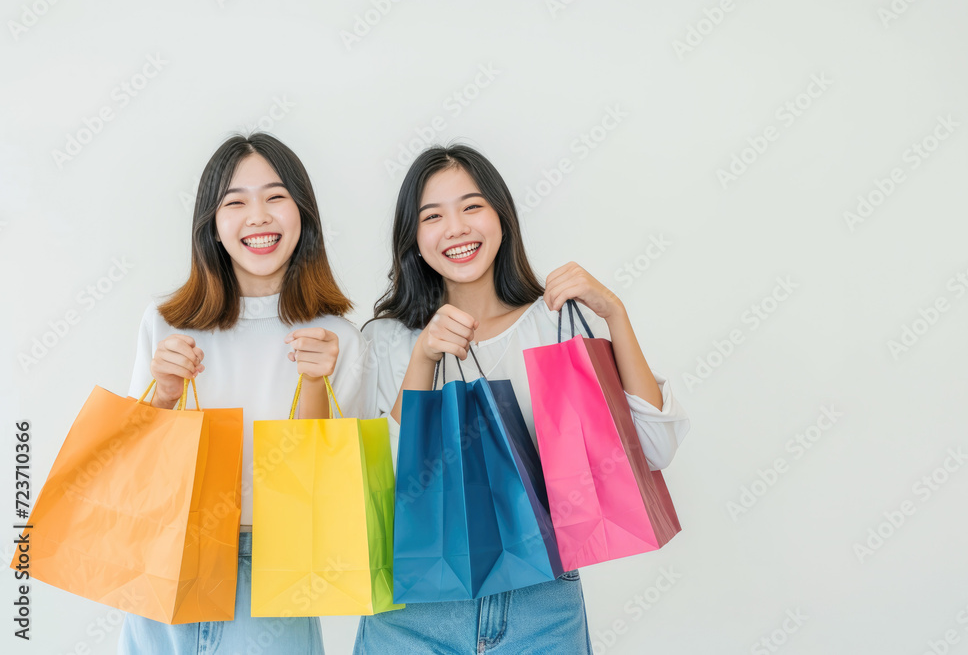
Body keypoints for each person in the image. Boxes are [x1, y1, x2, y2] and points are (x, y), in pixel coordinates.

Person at [357, 144, 691, 654]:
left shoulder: (554, 325)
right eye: (432, 216)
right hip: (414, 612)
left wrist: (616, 315)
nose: (456, 228)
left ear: (501, 217)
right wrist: (423, 359)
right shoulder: (388, 340)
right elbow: (387, 488)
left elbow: (652, 452)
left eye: (472, 207)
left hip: (542, 604)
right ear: (413, 238)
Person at [119, 132, 368, 654]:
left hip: (273, 568)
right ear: (212, 224)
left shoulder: (338, 338)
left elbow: (329, 492)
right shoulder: (167, 324)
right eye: (235, 202)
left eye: (276, 196)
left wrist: (317, 383)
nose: (257, 216)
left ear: (304, 214)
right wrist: (163, 395)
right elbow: (130, 465)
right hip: (170, 556)